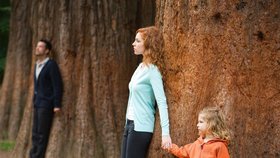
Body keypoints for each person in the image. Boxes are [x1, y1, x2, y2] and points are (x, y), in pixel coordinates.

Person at [121, 26, 172, 158]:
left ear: (148, 44)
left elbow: (161, 101)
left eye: (137, 41)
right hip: (129, 124)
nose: (133, 44)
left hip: (141, 127)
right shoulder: (140, 67)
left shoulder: (153, 71)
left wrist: (165, 134)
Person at [30, 39, 63, 158]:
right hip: (37, 103)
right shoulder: (36, 65)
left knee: (42, 134)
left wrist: (57, 104)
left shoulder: (51, 65)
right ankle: (32, 154)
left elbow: (57, 85)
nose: (37, 48)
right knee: (35, 132)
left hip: (47, 104)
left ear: (47, 50)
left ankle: (38, 156)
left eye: (41, 47)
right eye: (37, 46)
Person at [164, 106, 231, 158]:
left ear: (211, 124)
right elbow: (181, 152)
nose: (197, 125)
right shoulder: (197, 143)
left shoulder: (219, 146)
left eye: (201, 122)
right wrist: (170, 146)